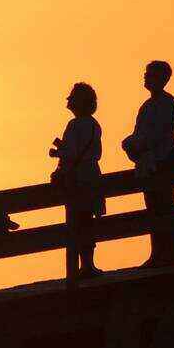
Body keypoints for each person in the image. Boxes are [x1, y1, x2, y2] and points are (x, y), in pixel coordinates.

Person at [121, 60, 174, 267]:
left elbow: (158, 134)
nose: (145, 77)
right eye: (146, 73)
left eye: (150, 74)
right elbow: (141, 132)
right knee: (153, 206)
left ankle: (169, 253)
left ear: (163, 78)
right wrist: (131, 143)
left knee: (164, 204)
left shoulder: (166, 103)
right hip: (148, 160)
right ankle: (158, 252)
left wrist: (135, 144)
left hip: (163, 158)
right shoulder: (147, 106)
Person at [50, 82, 104, 277]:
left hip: (77, 178)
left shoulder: (75, 125)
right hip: (91, 176)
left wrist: (58, 153)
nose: (68, 100)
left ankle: (83, 266)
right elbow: (93, 152)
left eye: (72, 97)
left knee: (76, 221)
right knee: (86, 220)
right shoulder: (94, 124)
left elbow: (72, 153)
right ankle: (88, 264)